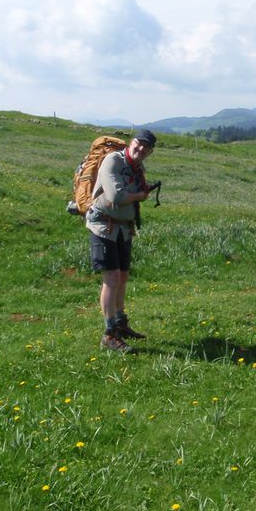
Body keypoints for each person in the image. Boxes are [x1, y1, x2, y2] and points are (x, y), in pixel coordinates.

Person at [85, 129, 158, 352]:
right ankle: (109, 334)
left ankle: (120, 322)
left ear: (150, 151)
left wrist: (137, 194)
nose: (141, 149)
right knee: (112, 278)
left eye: (146, 147)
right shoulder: (112, 161)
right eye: (139, 143)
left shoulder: (138, 168)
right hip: (103, 226)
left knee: (122, 276)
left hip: (123, 229)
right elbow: (116, 197)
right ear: (131, 142)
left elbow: (128, 194)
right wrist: (140, 196)